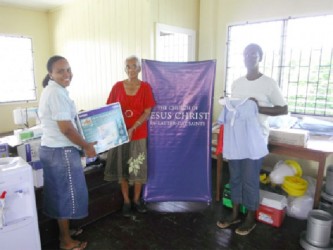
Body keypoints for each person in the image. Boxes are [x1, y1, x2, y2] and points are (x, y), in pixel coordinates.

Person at [216, 43, 288, 236]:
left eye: (253, 54)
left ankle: (250, 218)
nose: (249, 57)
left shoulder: (268, 83)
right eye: (246, 54)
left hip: (255, 139)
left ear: (260, 57)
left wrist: (257, 107)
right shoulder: (237, 83)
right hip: (236, 137)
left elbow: (283, 108)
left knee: (250, 179)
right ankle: (235, 213)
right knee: (236, 177)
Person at [39, 55, 97, 250]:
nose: (66, 74)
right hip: (60, 151)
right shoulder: (56, 93)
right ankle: (66, 241)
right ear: (51, 74)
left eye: (68, 69)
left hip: (53, 150)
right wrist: (86, 146)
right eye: (60, 71)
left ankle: (66, 232)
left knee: (59, 194)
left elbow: (66, 123)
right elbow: (65, 129)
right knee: (66, 196)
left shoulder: (53, 90)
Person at [104, 55, 156, 217]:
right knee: (123, 168)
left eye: (134, 66)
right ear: (124, 69)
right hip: (120, 135)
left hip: (138, 133)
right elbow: (109, 109)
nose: (131, 69)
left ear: (139, 68)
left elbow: (148, 111)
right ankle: (126, 201)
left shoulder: (146, 87)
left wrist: (133, 127)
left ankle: (136, 200)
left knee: (137, 167)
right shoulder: (117, 87)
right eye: (128, 66)